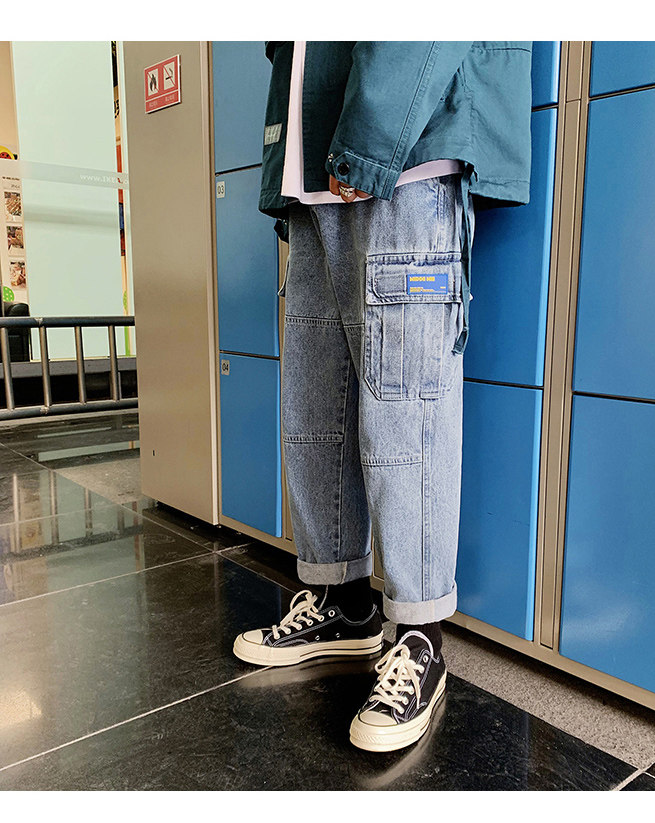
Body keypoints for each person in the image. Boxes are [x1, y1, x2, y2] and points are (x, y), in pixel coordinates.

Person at [234, 41, 532, 752]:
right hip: (317, 173)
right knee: (317, 410)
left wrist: (371, 140)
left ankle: (421, 636)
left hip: (405, 154)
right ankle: (343, 601)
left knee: (408, 412)